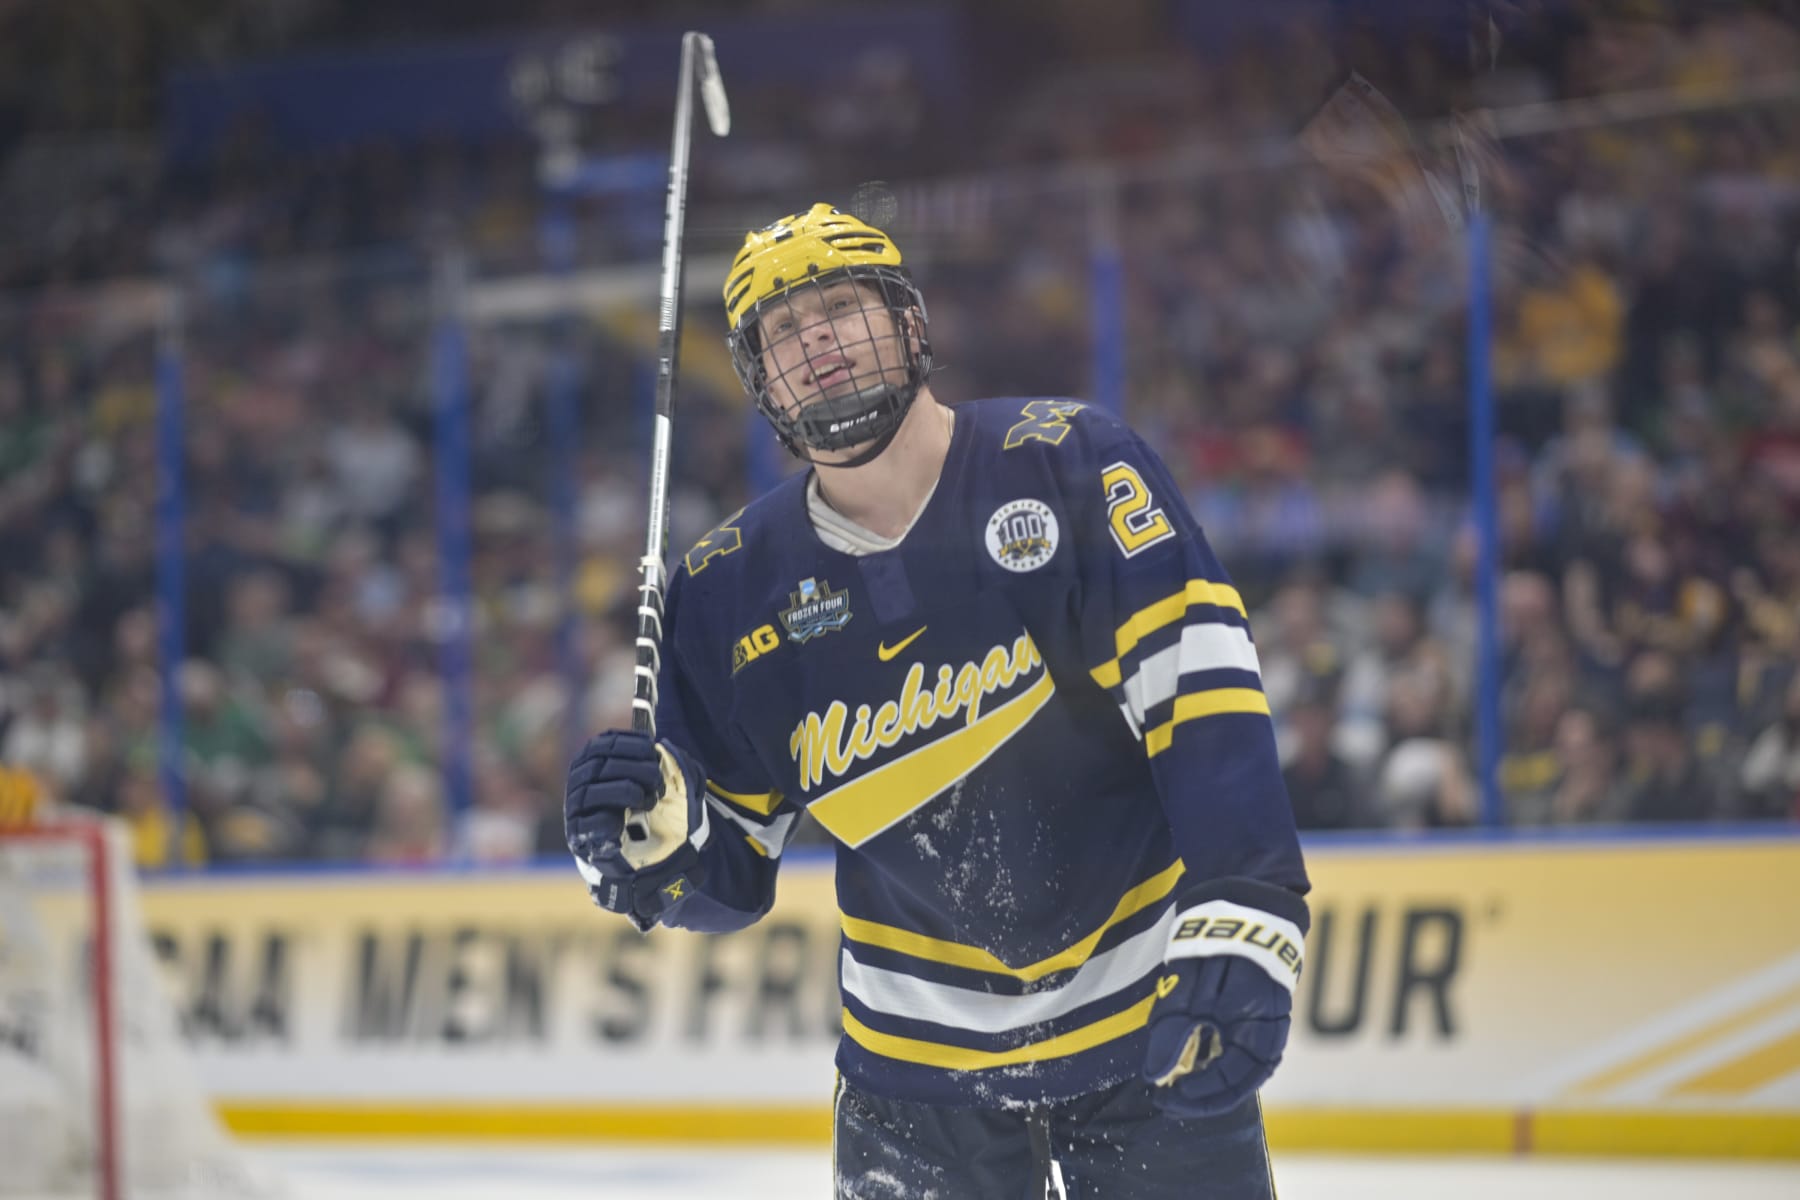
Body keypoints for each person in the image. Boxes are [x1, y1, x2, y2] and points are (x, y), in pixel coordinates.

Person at [565, 203, 1310, 1198]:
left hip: (1147, 1022)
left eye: (837, 307)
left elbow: (1204, 697)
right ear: (757, 382)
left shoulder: (1070, 461)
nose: (814, 340)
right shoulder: (723, 589)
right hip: (912, 1086)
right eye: (781, 332)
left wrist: (1246, 905)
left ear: (911, 325)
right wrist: (656, 844)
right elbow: (728, 878)